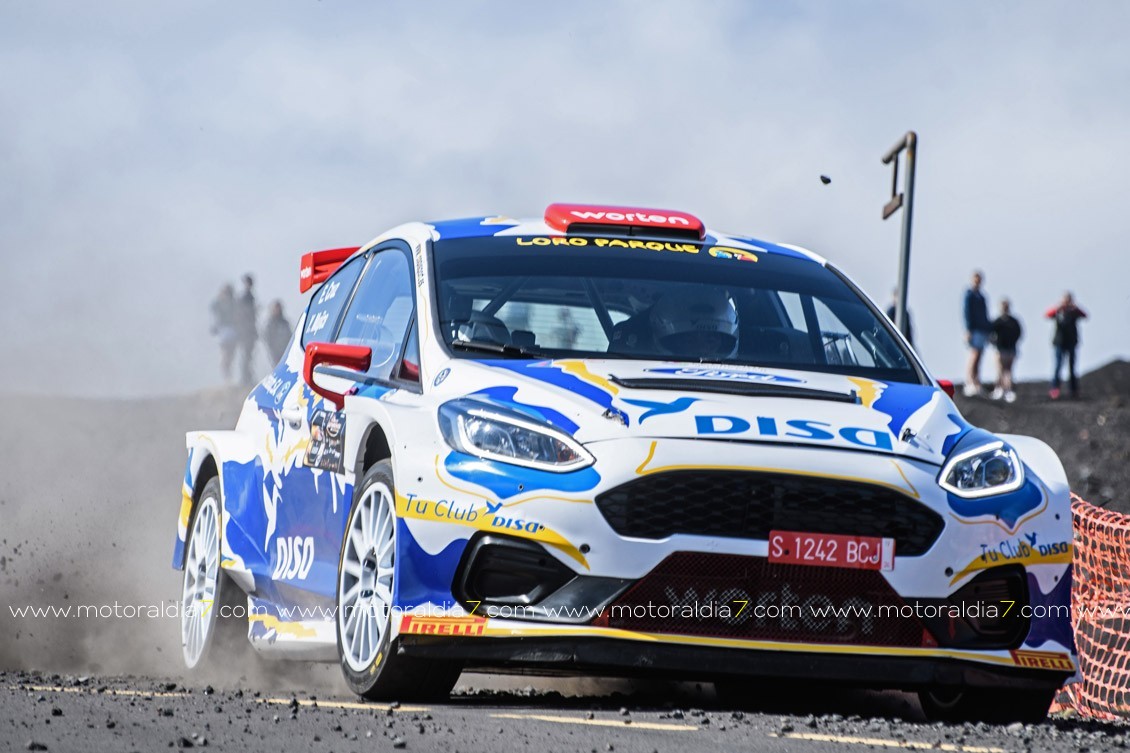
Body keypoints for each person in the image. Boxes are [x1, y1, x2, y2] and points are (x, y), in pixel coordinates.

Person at [1046, 292, 1087, 400]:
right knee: (1058, 366)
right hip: (1059, 343)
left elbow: (1085, 315)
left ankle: (1074, 390)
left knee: (1072, 367)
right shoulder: (1058, 311)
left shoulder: (1074, 312)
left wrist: (1075, 307)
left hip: (1071, 342)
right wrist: (1058, 307)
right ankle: (1055, 389)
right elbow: (1047, 315)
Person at [962, 271, 992, 397]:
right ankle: (969, 382)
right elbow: (967, 313)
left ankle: (976, 381)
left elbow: (985, 314)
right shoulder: (969, 295)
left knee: (979, 356)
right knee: (974, 355)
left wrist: (988, 329)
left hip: (982, 329)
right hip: (974, 330)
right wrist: (968, 330)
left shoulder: (982, 296)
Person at [990, 298, 1022, 403]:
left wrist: (1014, 342)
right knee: (1000, 369)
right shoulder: (997, 322)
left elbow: (1019, 333)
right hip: (1000, 349)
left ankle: (1008, 390)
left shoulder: (1014, 321)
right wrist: (995, 343)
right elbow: (990, 333)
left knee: (1008, 370)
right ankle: (999, 388)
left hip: (1011, 348)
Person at [210, 284, 238, 383]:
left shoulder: (233, 304)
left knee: (230, 356)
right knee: (225, 355)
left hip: (232, 331)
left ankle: (228, 376)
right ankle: (226, 377)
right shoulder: (218, 304)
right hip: (223, 332)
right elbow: (214, 313)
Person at [234, 274, 259, 384]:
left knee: (248, 354)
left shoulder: (249, 296)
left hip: (249, 329)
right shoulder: (244, 297)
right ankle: (245, 377)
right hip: (245, 329)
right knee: (246, 354)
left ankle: (247, 376)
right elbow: (242, 313)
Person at [264, 300, 293, 365]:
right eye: (276, 308)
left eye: (279, 308)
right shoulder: (270, 324)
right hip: (275, 353)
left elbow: (290, 335)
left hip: (286, 351)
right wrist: (272, 349)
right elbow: (267, 338)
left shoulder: (285, 323)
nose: (277, 310)